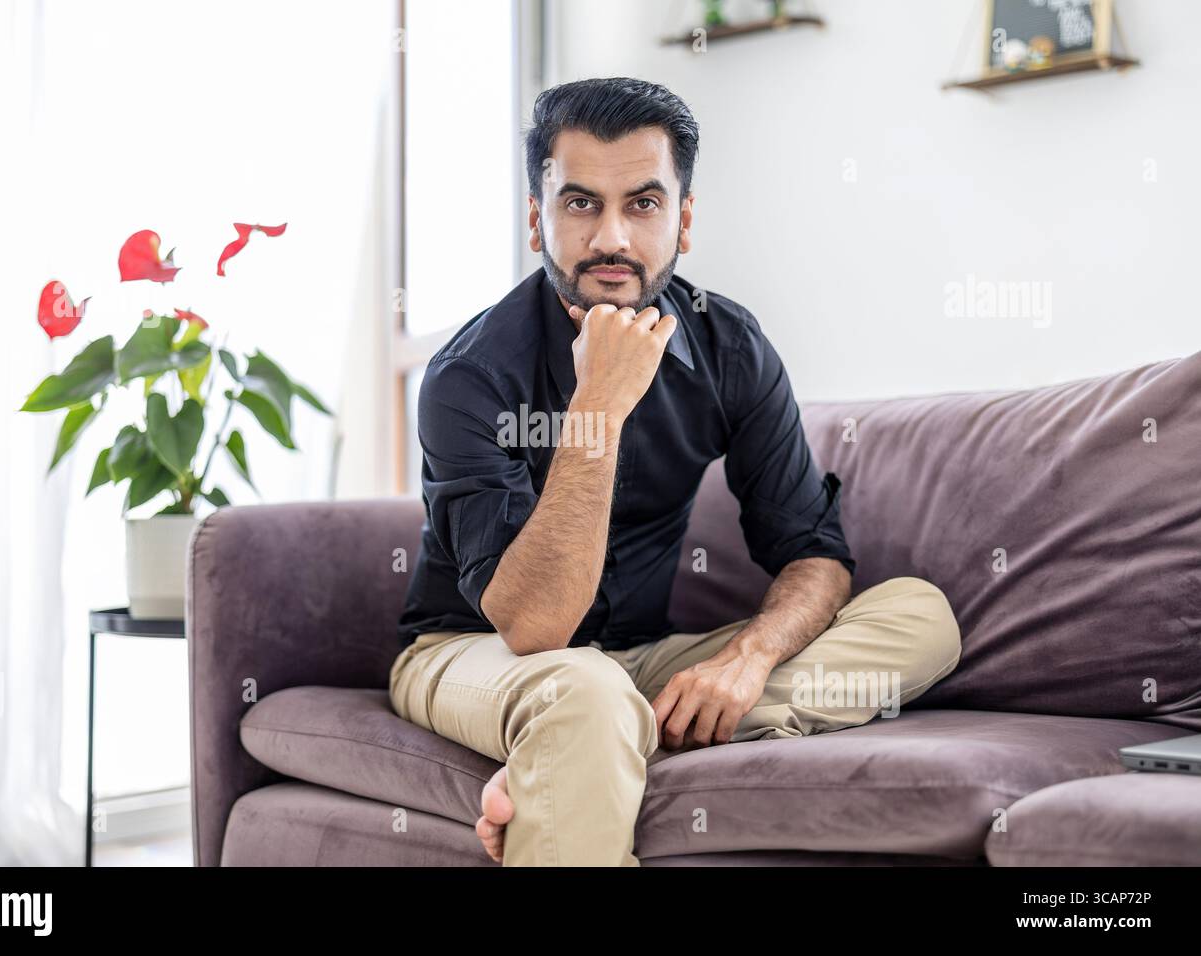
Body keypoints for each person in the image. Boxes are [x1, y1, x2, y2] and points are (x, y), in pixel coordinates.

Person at [391, 77, 961, 866]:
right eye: (581, 203)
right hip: (475, 652)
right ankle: (587, 736)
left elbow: (813, 556)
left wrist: (746, 661)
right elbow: (535, 627)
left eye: (645, 204)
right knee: (579, 690)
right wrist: (600, 407)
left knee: (918, 616)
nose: (611, 238)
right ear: (537, 218)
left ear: (684, 220)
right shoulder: (470, 375)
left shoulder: (729, 346)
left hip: (639, 661)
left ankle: (590, 752)